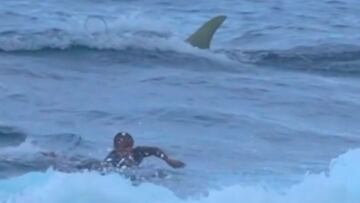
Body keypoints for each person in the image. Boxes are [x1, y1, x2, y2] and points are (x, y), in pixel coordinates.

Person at [103, 132, 185, 169]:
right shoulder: (112, 157)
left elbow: (155, 150)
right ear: (115, 148)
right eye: (122, 150)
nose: (126, 153)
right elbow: (105, 167)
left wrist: (168, 160)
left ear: (132, 147)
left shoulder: (138, 152)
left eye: (129, 148)